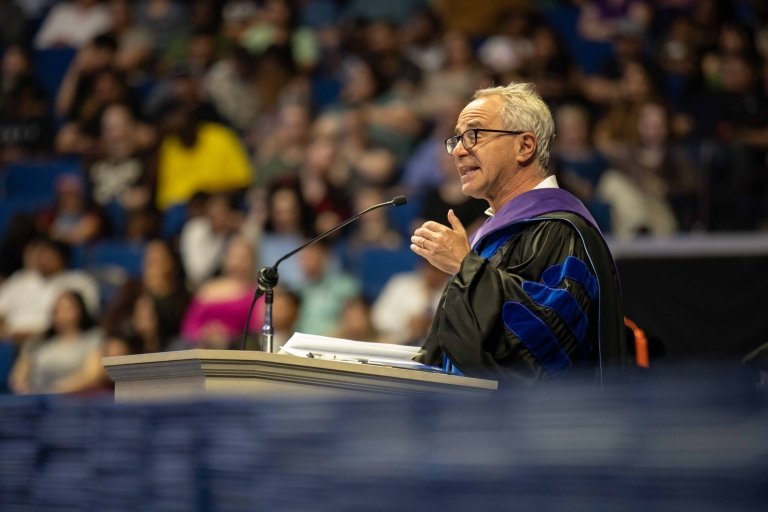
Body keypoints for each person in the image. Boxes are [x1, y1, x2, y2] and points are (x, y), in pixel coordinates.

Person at [410, 82, 628, 385]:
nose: (458, 150)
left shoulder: (560, 232)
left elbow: (545, 352)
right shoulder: (489, 239)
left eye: (474, 134)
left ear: (524, 146)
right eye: (457, 139)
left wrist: (466, 267)